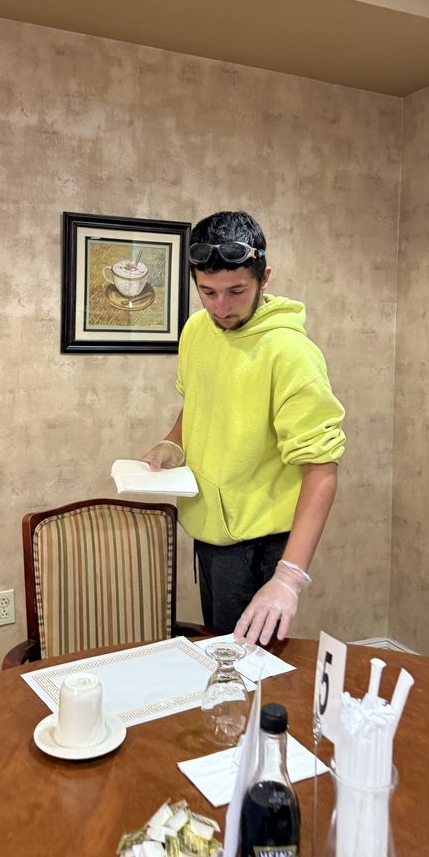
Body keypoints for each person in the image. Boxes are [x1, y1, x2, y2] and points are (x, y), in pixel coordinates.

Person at [142, 211, 345, 646]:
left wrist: (288, 579)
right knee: (219, 660)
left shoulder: (290, 354)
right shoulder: (198, 329)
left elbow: (322, 471)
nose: (221, 307)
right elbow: (196, 400)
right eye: (208, 292)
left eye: (236, 291)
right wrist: (171, 443)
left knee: (250, 674)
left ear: (264, 277)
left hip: (259, 545)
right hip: (209, 529)